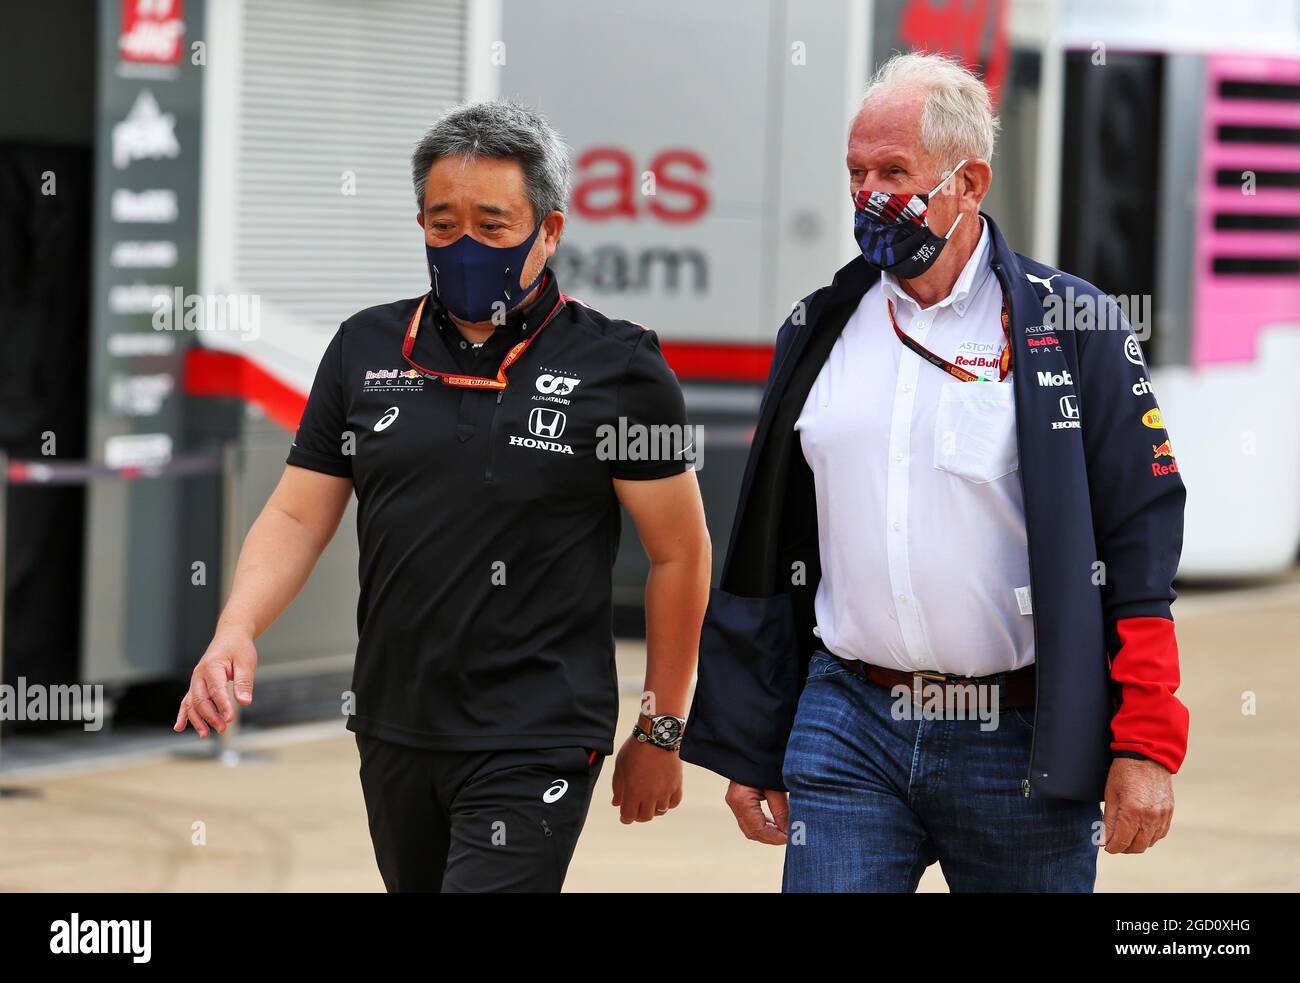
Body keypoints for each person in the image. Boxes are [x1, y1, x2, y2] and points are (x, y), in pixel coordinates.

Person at [680, 52, 1189, 892]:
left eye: (894, 172)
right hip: (848, 720)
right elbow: (767, 545)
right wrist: (753, 736)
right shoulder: (818, 326)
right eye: (856, 173)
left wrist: (1145, 743)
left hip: (1019, 737)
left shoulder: (1076, 324)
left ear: (969, 181)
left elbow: (1138, 549)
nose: (868, 195)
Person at [176, 100, 711, 892]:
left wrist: (660, 727)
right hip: (396, 725)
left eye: (493, 227)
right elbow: (296, 512)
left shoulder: (621, 367)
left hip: (540, 733)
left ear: (550, 231)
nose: (465, 246)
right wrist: (236, 628)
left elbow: (679, 552)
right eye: (442, 224)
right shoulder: (363, 347)